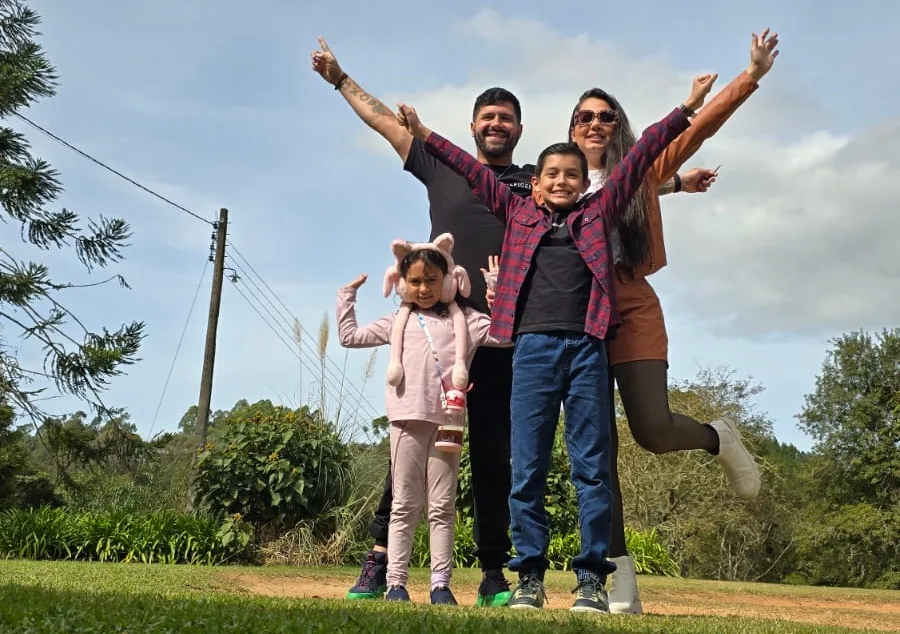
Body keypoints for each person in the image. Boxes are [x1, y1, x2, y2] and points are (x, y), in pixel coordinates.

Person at [310, 36, 709, 606]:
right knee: (425, 441)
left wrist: (679, 150)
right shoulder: (481, 183)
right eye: (487, 117)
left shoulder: (546, 192)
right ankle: (403, 567)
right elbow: (417, 142)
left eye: (507, 118)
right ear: (474, 126)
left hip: (525, 339)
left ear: (521, 131)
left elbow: (624, 173)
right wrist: (362, 93)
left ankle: (525, 576)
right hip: (464, 332)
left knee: (526, 457)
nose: (496, 124)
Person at [564, 28, 781, 614]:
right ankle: (621, 585)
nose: (594, 123)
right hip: (576, 316)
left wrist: (751, 76)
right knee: (595, 452)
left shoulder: (638, 166)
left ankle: (718, 437)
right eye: (584, 115)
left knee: (653, 431)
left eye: (606, 116)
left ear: (619, 125)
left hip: (630, 304)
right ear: (571, 126)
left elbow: (697, 130)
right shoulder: (555, 178)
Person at [336, 233, 508, 604]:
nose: (424, 288)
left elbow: (506, 336)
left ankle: (440, 585)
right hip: (406, 422)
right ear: (402, 283)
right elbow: (349, 337)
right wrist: (346, 297)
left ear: (448, 279)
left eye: (431, 280)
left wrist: (495, 293)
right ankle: (396, 583)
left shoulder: (467, 321)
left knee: (442, 507)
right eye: (415, 281)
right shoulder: (397, 320)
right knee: (404, 505)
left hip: (449, 422)